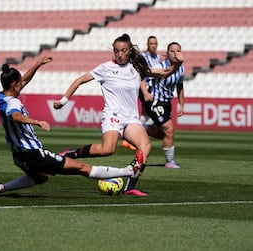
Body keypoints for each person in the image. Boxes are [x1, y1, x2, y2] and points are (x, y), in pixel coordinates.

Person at [0, 57, 142, 197]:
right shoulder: (12, 103)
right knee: (82, 168)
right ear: (14, 84)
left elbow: (23, 80)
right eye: (19, 83)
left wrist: (38, 64)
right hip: (34, 154)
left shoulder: (2, 96)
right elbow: (16, 116)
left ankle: (1, 188)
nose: (22, 84)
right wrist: (37, 122)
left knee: (40, 178)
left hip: (18, 157)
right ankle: (128, 171)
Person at [53, 34, 179, 196]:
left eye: (123, 51)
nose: (119, 54)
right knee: (108, 149)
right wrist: (63, 101)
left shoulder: (137, 68)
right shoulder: (105, 68)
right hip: (113, 116)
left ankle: (130, 187)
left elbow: (164, 73)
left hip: (131, 119)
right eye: (116, 51)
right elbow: (80, 80)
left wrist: (178, 63)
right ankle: (70, 154)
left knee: (145, 147)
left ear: (129, 51)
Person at [140, 42, 185, 169]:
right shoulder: (159, 66)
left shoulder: (181, 69)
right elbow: (142, 76)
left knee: (162, 134)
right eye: (172, 51)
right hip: (155, 101)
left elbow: (180, 87)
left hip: (167, 103)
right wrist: (145, 92)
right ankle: (169, 161)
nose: (176, 53)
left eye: (178, 51)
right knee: (169, 129)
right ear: (167, 54)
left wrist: (181, 104)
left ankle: (142, 128)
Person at [122, 35, 161, 150]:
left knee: (146, 113)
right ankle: (134, 137)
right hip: (144, 87)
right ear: (147, 45)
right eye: (151, 44)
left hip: (153, 89)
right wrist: (144, 91)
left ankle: (134, 138)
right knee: (148, 111)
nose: (153, 46)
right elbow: (141, 73)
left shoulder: (157, 57)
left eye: (155, 44)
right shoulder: (143, 56)